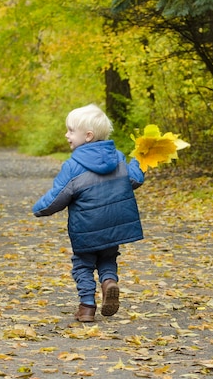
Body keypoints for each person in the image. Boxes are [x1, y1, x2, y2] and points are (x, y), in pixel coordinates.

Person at [32, 104, 145, 322]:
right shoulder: (119, 158)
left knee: (82, 264)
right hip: (114, 226)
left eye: (71, 130)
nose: (67, 135)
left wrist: (39, 209)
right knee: (107, 257)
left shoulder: (73, 166)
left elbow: (57, 197)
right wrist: (138, 160)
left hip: (85, 229)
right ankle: (109, 281)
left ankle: (86, 307)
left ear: (88, 136)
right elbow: (135, 179)